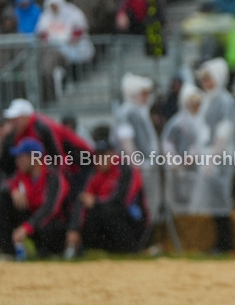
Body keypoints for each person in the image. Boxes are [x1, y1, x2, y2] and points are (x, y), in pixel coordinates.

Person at [66, 127, 149, 256]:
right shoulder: (95, 173)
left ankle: (129, 248)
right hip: (106, 214)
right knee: (85, 213)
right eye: (97, 156)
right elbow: (84, 199)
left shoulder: (125, 170)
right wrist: (74, 228)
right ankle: (88, 249)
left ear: (112, 155)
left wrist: (96, 202)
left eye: (103, 156)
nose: (100, 160)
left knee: (107, 214)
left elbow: (121, 201)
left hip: (130, 219)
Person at [192, 58, 235, 253]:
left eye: (209, 78)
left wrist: (212, 159)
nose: (205, 83)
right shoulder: (209, 99)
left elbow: (223, 134)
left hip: (221, 159)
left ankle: (225, 243)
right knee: (214, 202)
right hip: (210, 157)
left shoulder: (224, 101)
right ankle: (219, 243)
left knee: (221, 201)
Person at [0, 98, 93, 196]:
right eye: (11, 120)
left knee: (74, 194)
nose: (12, 124)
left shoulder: (41, 127)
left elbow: (57, 155)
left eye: (15, 120)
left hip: (80, 160)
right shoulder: (21, 131)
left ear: (25, 117)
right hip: (65, 161)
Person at [0, 137, 70, 260]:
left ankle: (50, 253)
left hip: (52, 224)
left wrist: (27, 227)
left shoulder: (52, 176)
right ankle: (9, 251)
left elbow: (50, 208)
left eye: (21, 157)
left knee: (50, 228)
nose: (17, 161)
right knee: (4, 197)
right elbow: (6, 185)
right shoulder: (22, 175)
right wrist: (13, 190)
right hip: (32, 223)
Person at [115, 73, 163, 224]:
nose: (147, 97)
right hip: (138, 168)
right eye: (144, 93)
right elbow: (126, 141)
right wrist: (137, 164)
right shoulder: (127, 112)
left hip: (146, 166)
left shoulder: (139, 110)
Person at [161, 84, 204, 215]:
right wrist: (177, 163)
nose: (195, 107)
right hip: (179, 173)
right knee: (178, 205)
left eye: (197, 103)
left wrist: (193, 155)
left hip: (196, 171)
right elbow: (168, 146)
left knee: (197, 204)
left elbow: (202, 143)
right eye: (192, 103)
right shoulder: (177, 123)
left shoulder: (201, 121)